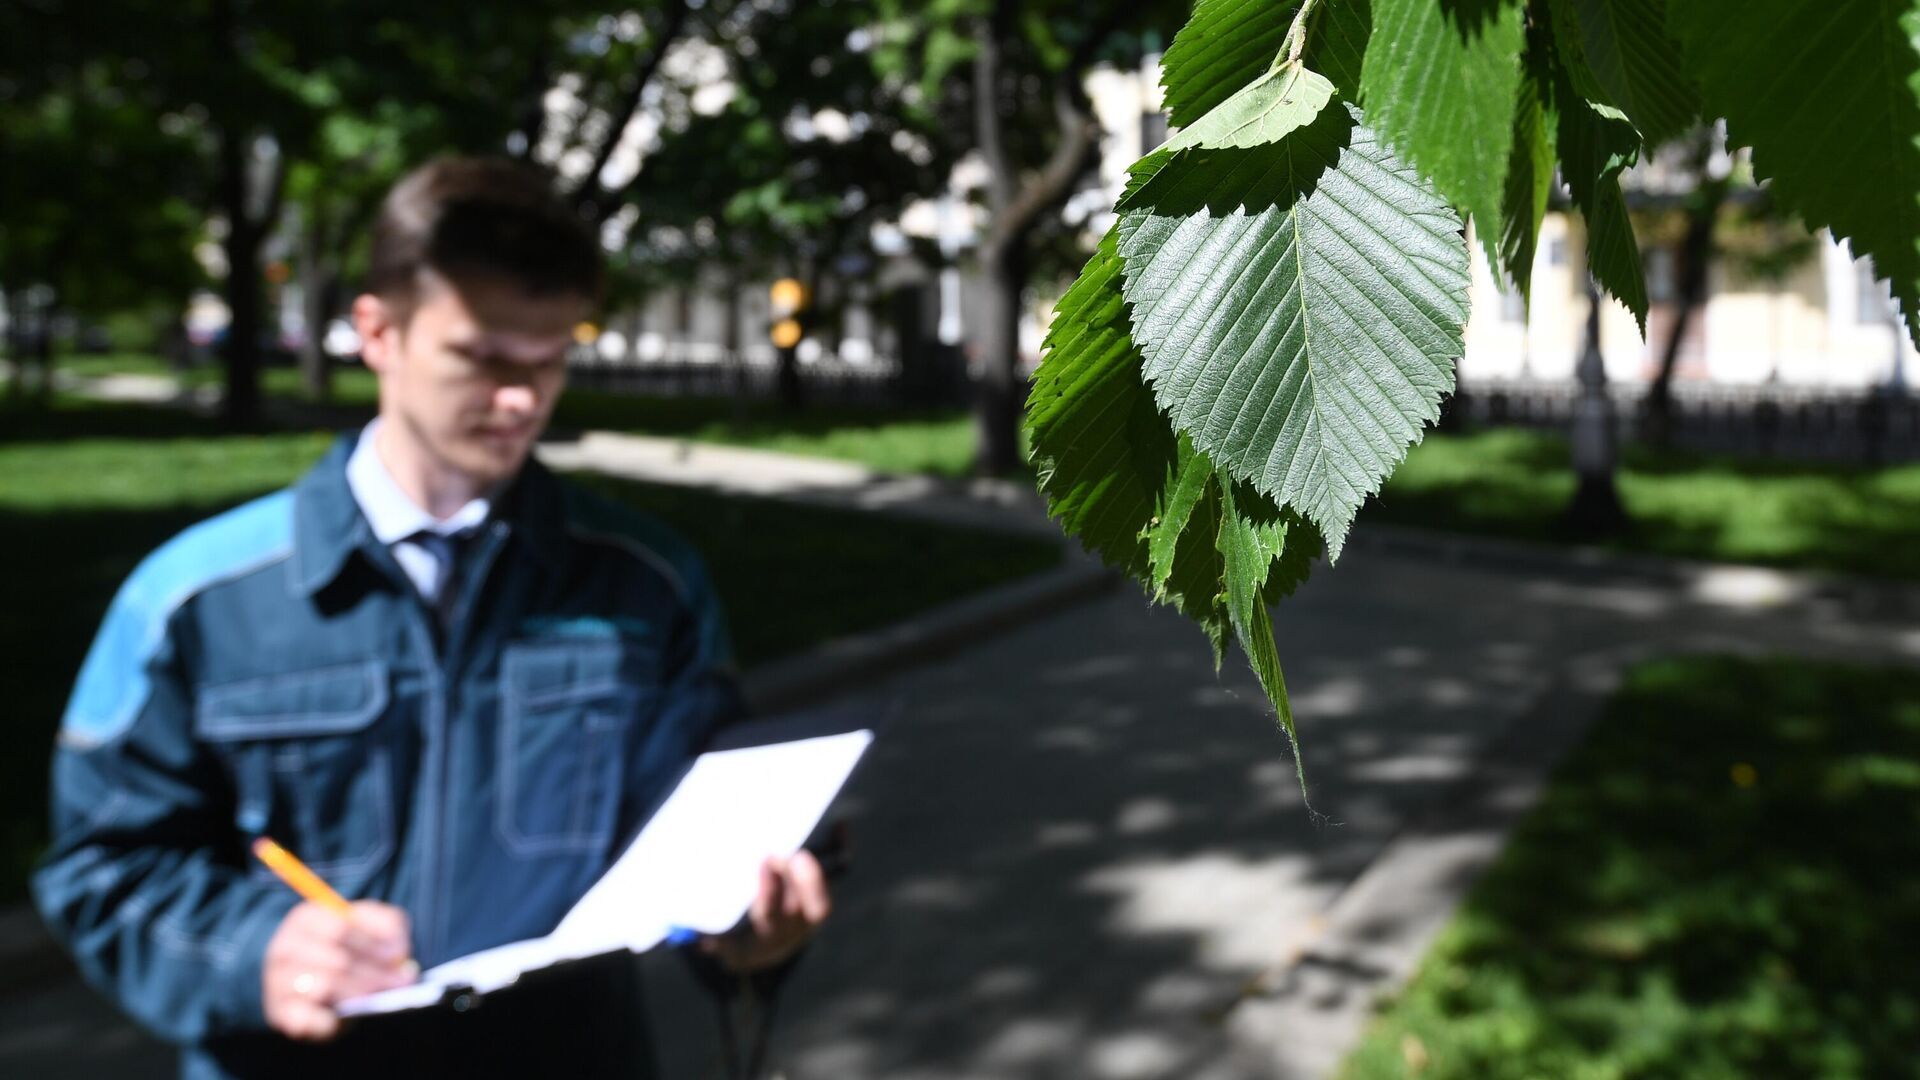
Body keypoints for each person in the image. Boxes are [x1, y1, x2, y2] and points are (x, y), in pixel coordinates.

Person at [32, 157, 831, 1079]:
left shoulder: (645, 585)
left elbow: (693, 843)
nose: (522, 399)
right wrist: (257, 953)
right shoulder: (196, 602)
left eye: (549, 359)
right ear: (378, 332)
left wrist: (747, 931)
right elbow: (104, 868)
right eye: (484, 358)